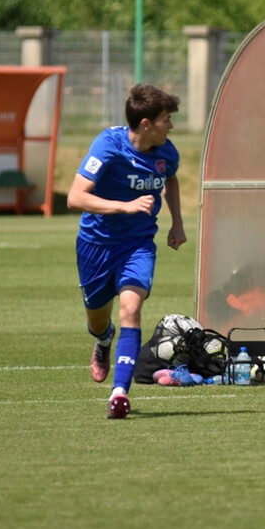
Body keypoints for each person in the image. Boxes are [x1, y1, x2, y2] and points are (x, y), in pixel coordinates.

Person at [69, 84, 186, 419]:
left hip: (137, 246)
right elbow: (75, 197)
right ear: (146, 123)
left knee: (131, 310)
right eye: (167, 120)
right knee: (98, 319)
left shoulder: (167, 152)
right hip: (95, 246)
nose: (172, 126)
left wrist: (177, 223)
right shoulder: (109, 144)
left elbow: (172, 179)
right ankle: (104, 341)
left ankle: (119, 394)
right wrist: (125, 206)